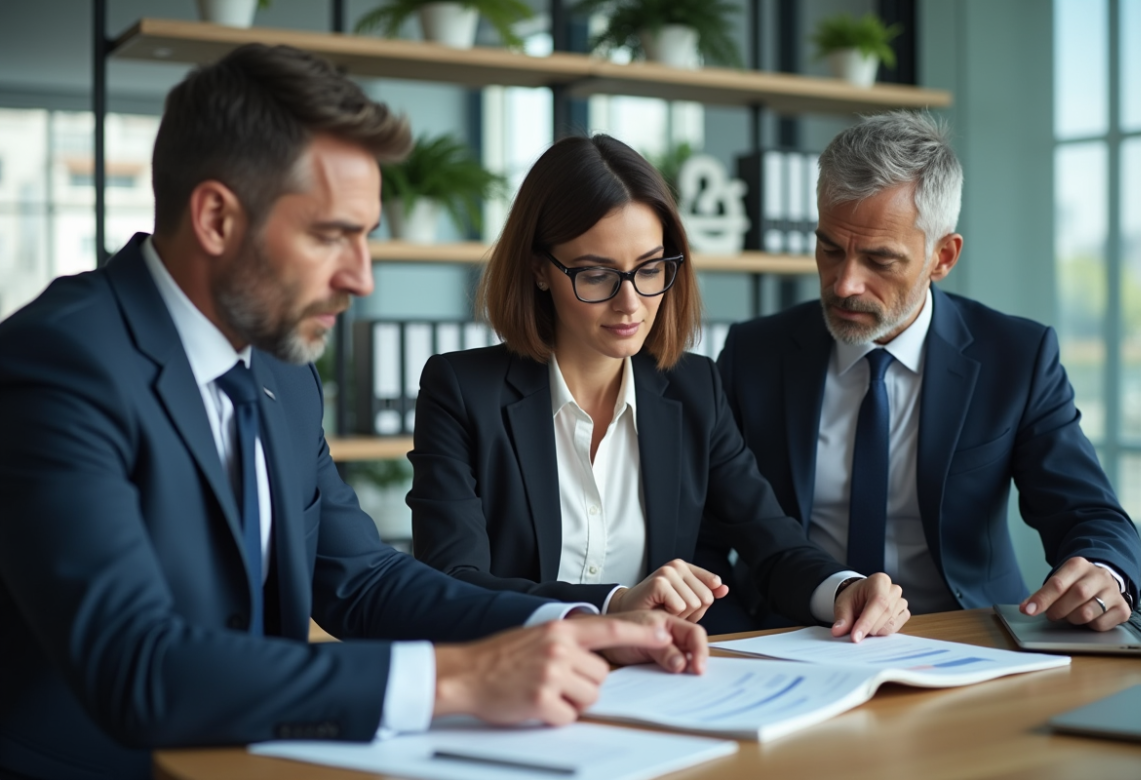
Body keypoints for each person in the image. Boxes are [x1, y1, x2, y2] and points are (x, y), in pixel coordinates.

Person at [0, 45, 707, 780]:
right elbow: (136, 665)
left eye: (366, 235)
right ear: (215, 217)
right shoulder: (59, 363)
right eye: (331, 234)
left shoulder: (278, 373)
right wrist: (458, 681)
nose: (361, 277)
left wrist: (577, 627)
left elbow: (362, 581)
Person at [408, 133, 910, 638]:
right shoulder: (461, 391)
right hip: (521, 678)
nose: (630, 304)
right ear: (540, 270)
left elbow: (772, 544)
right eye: (597, 274)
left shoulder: (694, 388)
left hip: (656, 681)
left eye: (650, 269)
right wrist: (613, 604)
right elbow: (454, 585)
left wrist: (844, 589)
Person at [715, 110, 1141, 631]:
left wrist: (1104, 573)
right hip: (797, 634)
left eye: (880, 260)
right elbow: (710, 532)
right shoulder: (753, 353)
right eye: (829, 248)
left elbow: (1087, 512)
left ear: (942, 256)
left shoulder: (1016, 357)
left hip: (969, 636)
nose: (845, 283)